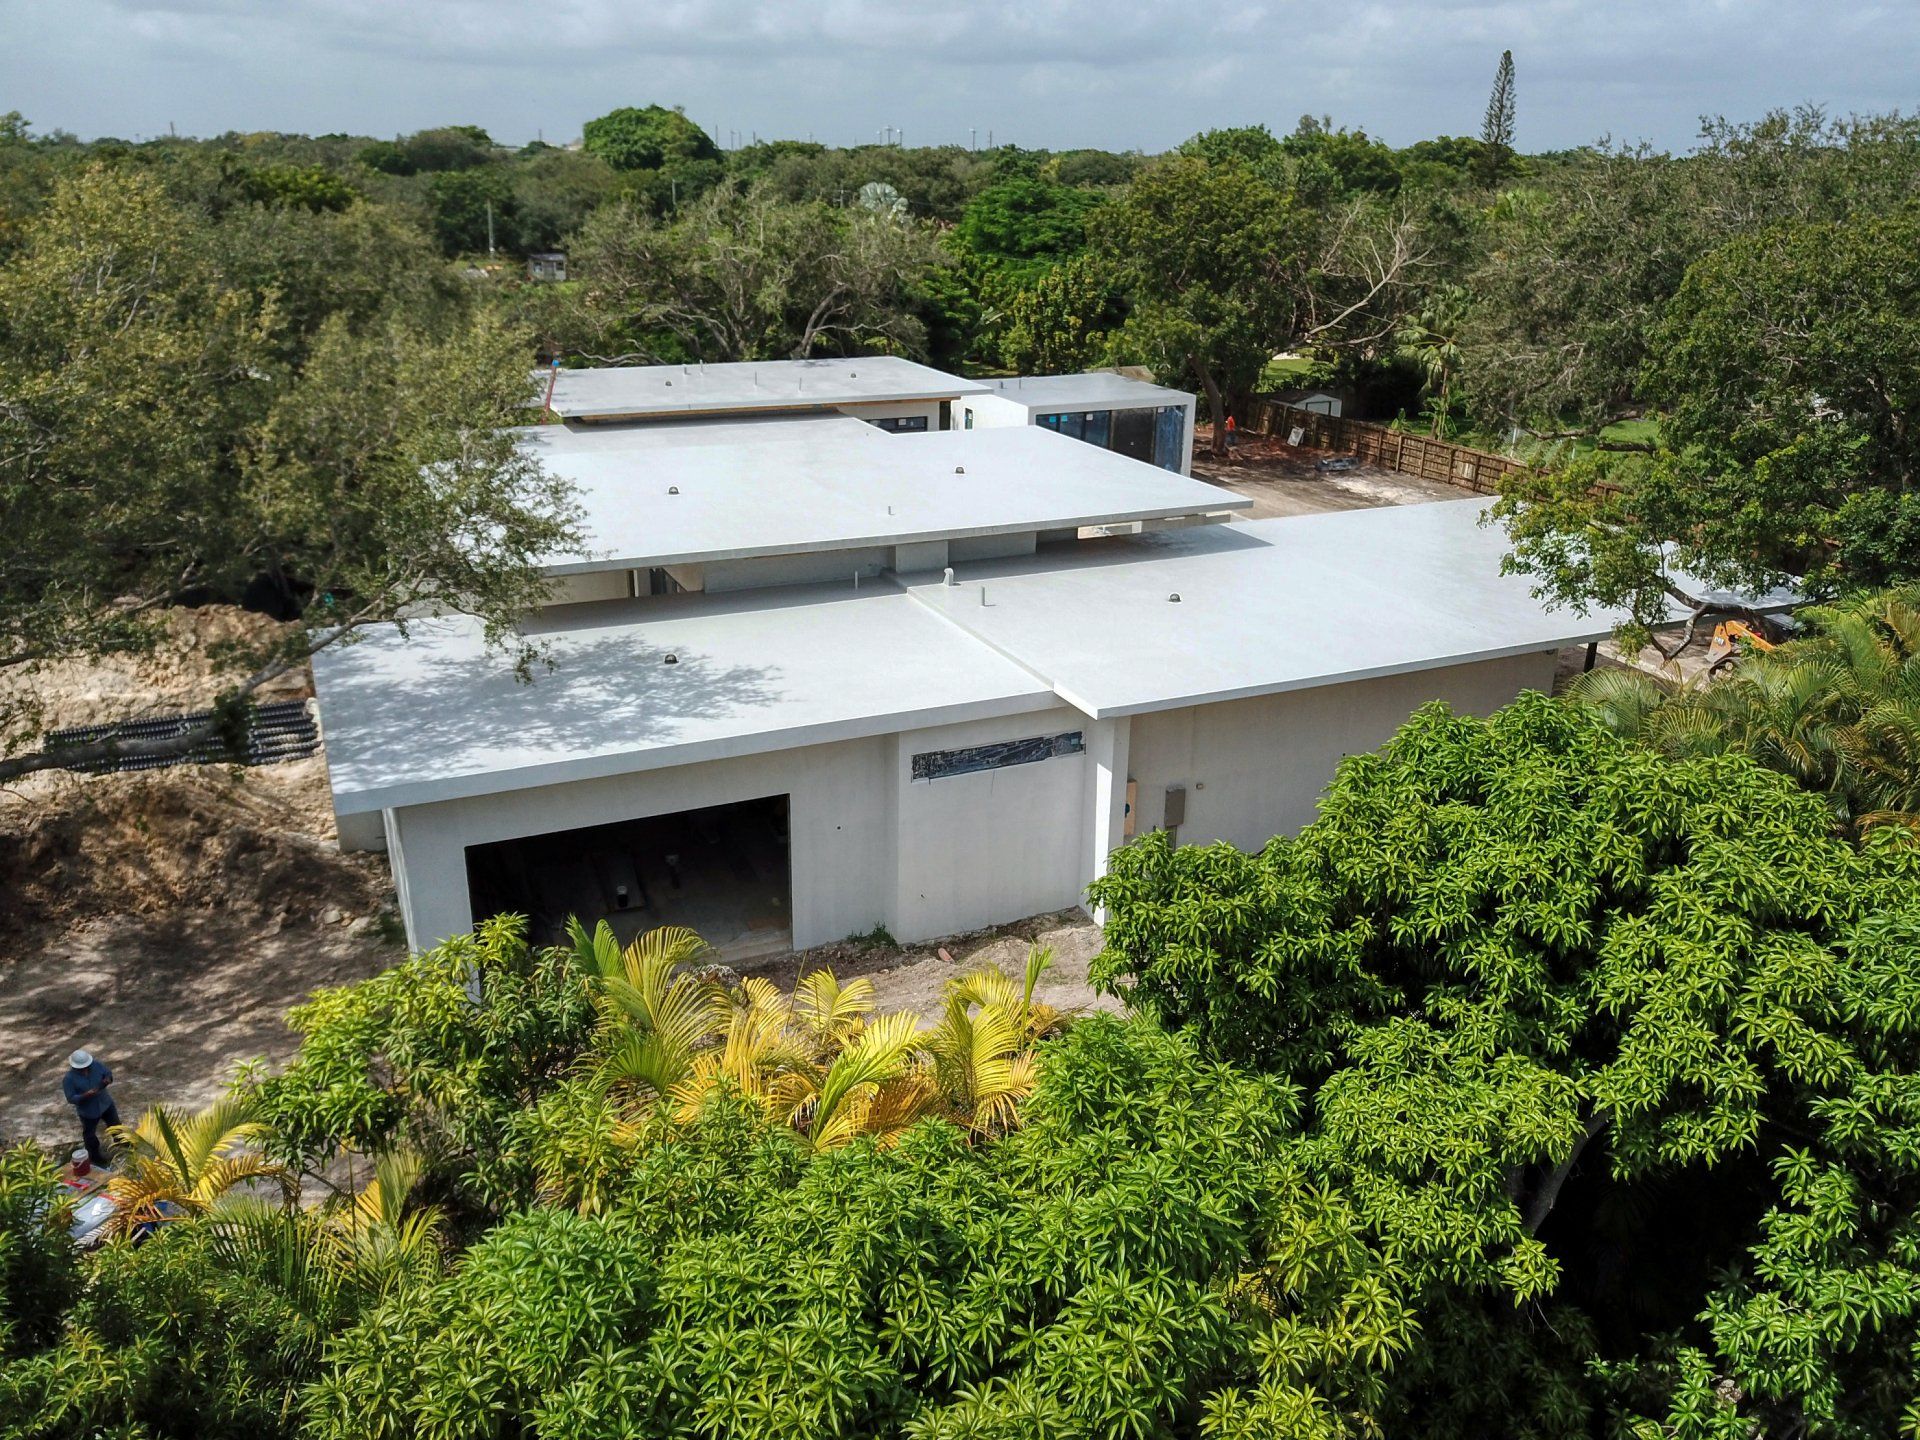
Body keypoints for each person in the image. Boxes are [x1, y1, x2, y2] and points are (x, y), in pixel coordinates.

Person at [63, 1050, 119, 1167]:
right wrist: (84, 1096)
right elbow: (70, 1098)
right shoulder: (69, 1079)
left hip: (105, 1103)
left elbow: (107, 1073)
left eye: (86, 1067)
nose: (84, 1070)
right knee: (90, 1136)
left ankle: (124, 1145)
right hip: (88, 1111)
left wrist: (108, 1079)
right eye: (81, 1068)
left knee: (116, 1126)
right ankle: (95, 1158)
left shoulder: (96, 1065)